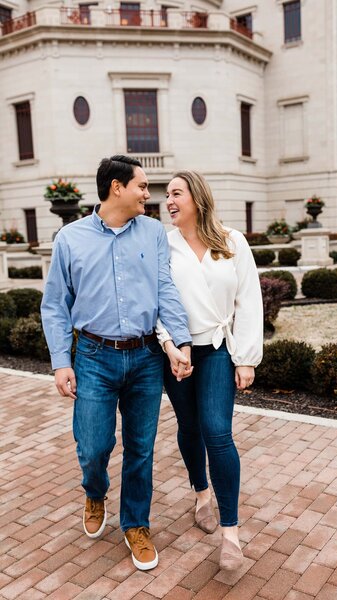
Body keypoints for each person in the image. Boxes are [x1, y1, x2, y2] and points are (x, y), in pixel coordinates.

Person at [41, 155, 192, 571]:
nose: (149, 193)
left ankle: (136, 524)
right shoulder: (69, 239)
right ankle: (94, 491)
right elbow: (55, 305)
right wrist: (60, 361)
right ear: (116, 188)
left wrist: (179, 343)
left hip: (145, 357)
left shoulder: (153, 233)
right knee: (93, 447)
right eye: (142, 186)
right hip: (92, 357)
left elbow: (165, 289)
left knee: (141, 450)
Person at [158, 171, 263, 571]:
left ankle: (231, 533)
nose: (168, 201)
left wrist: (247, 357)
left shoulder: (232, 241)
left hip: (218, 350)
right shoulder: (163, 246)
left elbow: (248, 299)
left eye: (176, 194)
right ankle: (201, 494)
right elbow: (157, 301)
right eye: (166, 195)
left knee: (217, 432)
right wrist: (170, 346)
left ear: (197, 198)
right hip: (178, 355)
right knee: (189, 427)